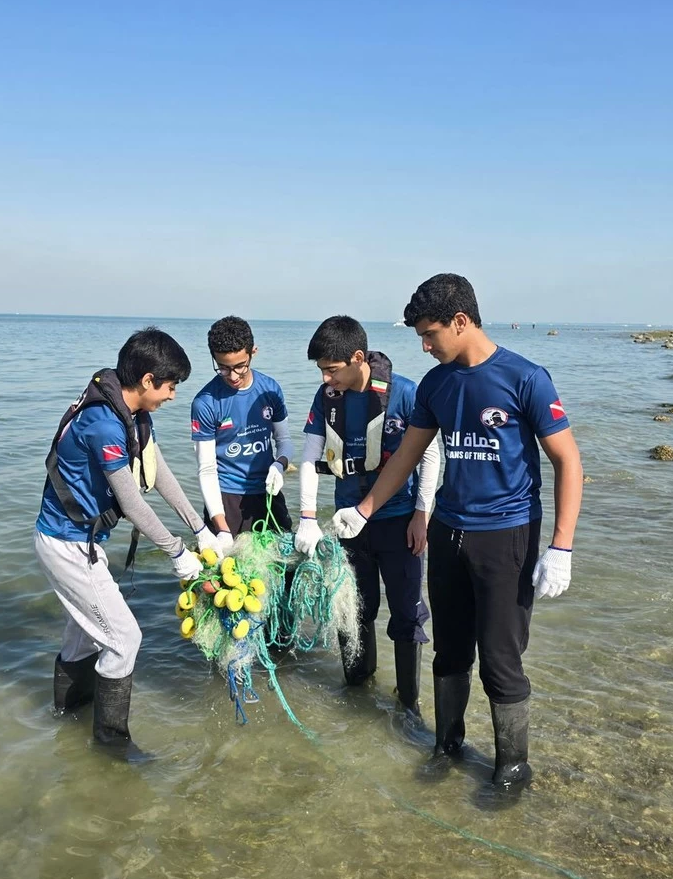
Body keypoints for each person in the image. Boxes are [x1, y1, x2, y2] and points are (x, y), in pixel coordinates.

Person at [330, 274, 582, 792]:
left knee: (500, 661)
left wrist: (561, 546)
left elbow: (568, 461)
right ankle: (447, 746)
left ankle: (512, 767)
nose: (424, 346)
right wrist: (365, 509)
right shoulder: (436, 384)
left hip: (506, 536)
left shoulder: (526, 378)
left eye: (430, 334)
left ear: (461, 322)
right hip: (448, 533)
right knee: (448, 652)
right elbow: (407, 455)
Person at [34, 327, 222, 761]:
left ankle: (67, 719)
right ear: (148, 380)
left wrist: (199, 527)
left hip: (80, 542)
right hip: (66, 544)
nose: (173, 395)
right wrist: (177, 553)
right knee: (124, 639)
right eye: (171, 386)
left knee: (84, 638)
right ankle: (111, 746)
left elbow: (158, 473)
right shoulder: (104, 424)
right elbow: (132, 501)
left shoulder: (133, 414)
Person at [295, 315, 440, 721]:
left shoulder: (405, 393)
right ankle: (357, 695)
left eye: (331, 369)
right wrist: (307, 517)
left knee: (407, 614)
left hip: (399, 521)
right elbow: (310, 456)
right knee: (353, 610)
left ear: (357, 358)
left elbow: (430, 455)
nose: (326, 379)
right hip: (348, 523)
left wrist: (422, 515)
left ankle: (408, 704)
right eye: (321, 371)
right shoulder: (327, 398)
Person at [191, 316, 294, 543]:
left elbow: (284, 440)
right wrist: (222, 528)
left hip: (267, 492)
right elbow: (206, 469)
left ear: (252, 352)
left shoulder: (270, 389)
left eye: (240, 366)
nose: (233, 376)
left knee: (285, 558)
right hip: (226, 498)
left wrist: (280, 464)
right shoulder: (205, 403)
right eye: (223, 368)